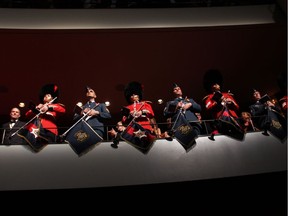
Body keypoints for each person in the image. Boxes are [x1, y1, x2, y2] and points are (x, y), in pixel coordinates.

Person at [202, 69, 244, 141]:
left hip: (233, 119)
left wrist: (231, 102)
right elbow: (208, 108)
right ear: (211, 87)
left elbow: (237, 107)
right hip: (221, 120)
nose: (216, 85)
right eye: (214, 84)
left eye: (217, 83)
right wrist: (217, 102)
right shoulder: (208, 97)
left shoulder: (227, 95)